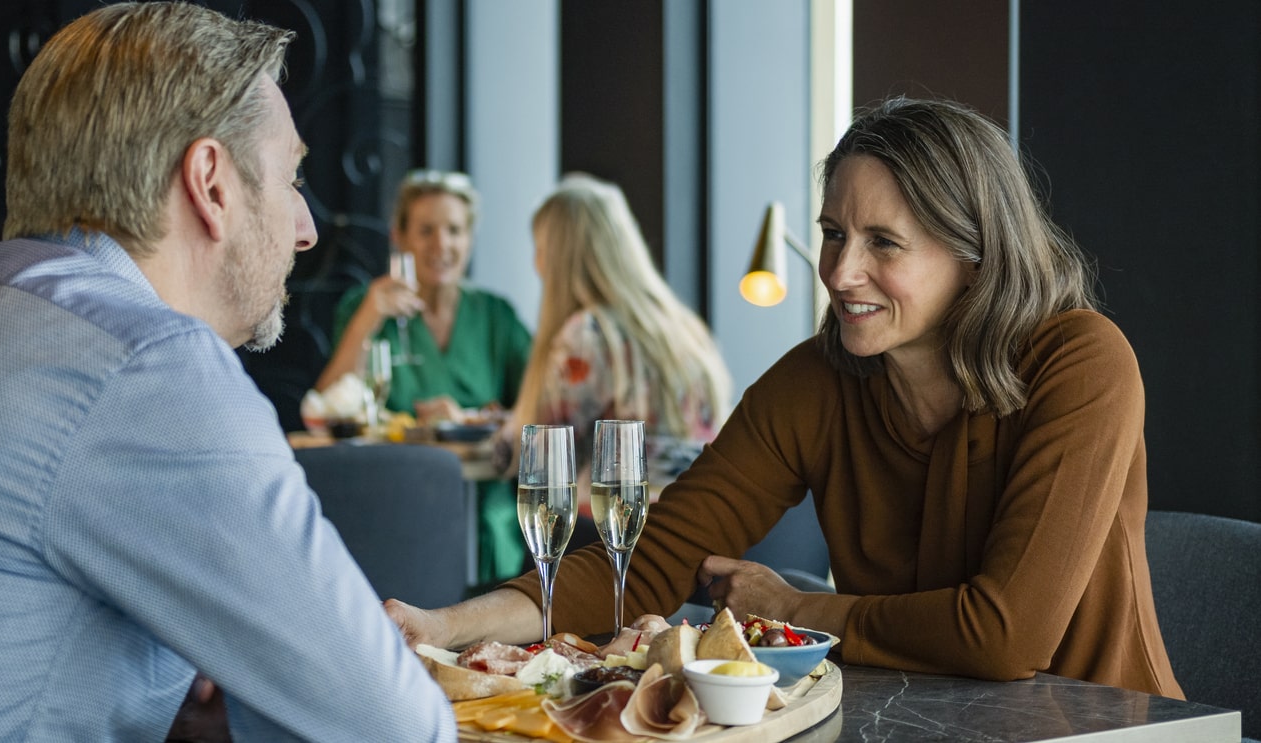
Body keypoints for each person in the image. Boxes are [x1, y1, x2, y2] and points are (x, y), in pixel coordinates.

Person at [386, 97, 1184, 699]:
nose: (839, 272)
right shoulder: (819, 378)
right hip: (912, 717)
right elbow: (650, 562)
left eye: (883, 243)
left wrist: (801, 606)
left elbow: (1005, 635)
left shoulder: (1080, 361)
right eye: (834, 233)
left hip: (1099, 722)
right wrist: (443, 627)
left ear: (972, 257)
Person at [0, 4, 455, 741]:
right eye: (291, 178)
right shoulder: (145, 360)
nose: (307, 227)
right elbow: (396, 725)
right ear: (211, 183)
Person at [315, 169, 531, 584]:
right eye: (426, 230)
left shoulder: (495, 315)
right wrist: (368, 319)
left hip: (484, 514)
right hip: (391, 501)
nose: (441, 245)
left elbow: (542, 407)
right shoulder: (364, 305)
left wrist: (470, 416)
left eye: (454, 230)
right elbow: (328, 404)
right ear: (399, 236)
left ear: (469, 238)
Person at [508, 173, 732, 509]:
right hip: (702, 516)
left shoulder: (587, 333)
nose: (536, 263)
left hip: (619, 528)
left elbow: (544, 455)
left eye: (540, 249)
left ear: (561, 258)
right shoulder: (682, 325)